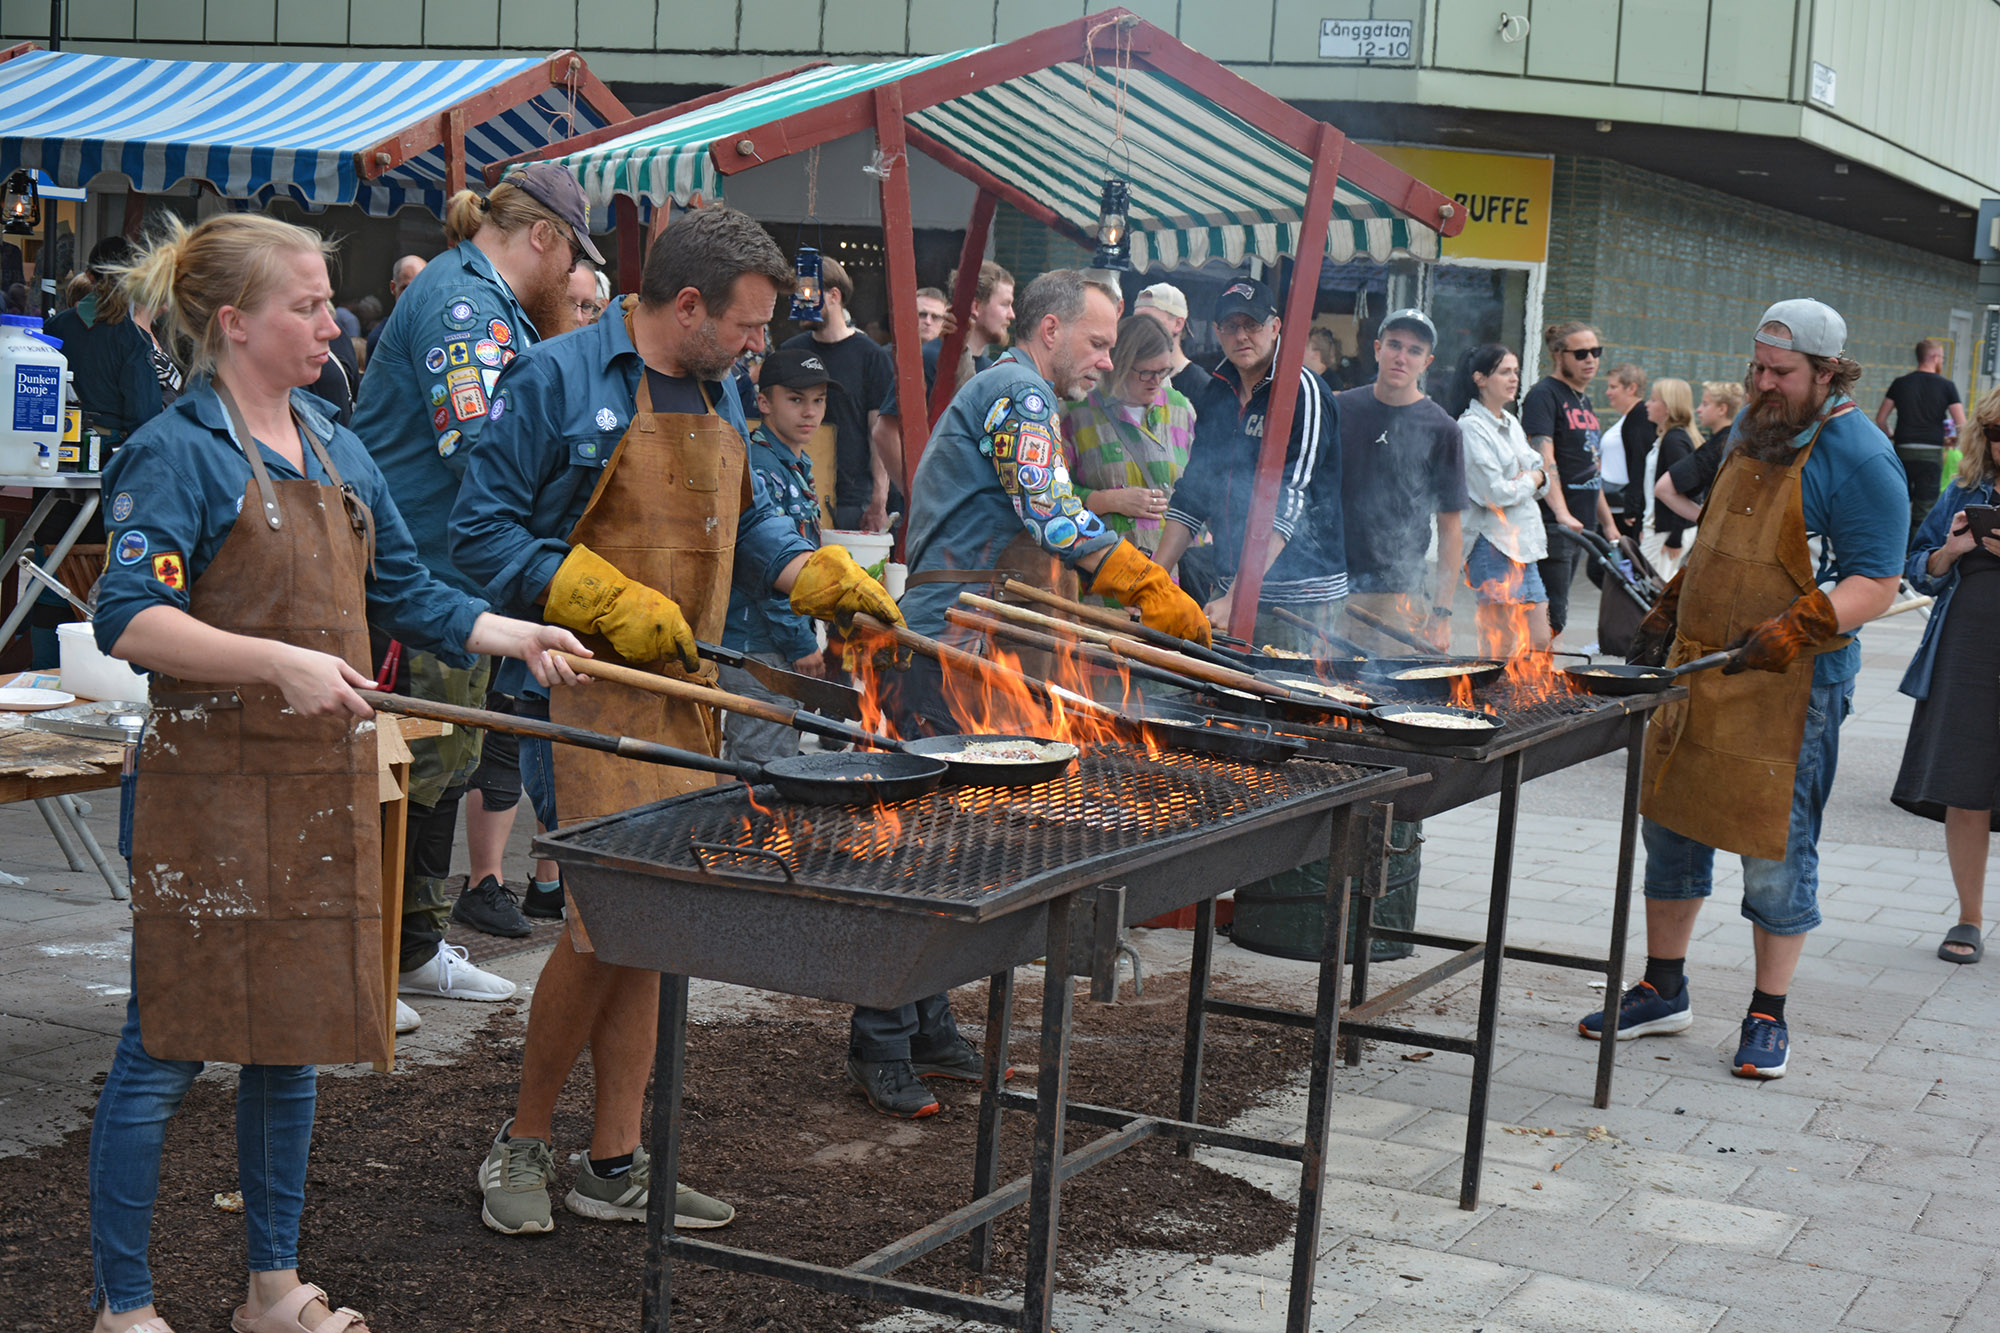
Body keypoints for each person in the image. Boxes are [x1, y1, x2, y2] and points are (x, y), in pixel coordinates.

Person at [84, 212, 585, 1333]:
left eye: (326, 303)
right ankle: (125, 1308)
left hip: (317, 801)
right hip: (207, 805)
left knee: (292, 1046)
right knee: (166, 1048)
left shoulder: (333, 440)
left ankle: (271, 1290)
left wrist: (511, 635)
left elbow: (407, 586)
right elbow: (130, 619)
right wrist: (277, 663)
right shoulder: (176, 450)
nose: (332, 323)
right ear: (235, 321)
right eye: (307, 305)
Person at [451, 203, 902, 1233]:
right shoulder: (556, 379)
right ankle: (520, 1140)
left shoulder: (717, 394)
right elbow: (476, 534)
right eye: (746, 327)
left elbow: (748, 523)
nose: (760, 348)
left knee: (663, 925)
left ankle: (612, 1160)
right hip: (584, 691)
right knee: (602, 922)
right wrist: (595, 596)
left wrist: (808, 570)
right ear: (687, 303)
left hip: (684, 698)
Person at [892, 268, 1207, 1117]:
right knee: (926, 840)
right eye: (1100, 341)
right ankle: (881, 1038)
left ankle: (924, 1023)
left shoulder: (1022, 392)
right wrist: (1146, 582)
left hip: (978, 631)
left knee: (961, 837)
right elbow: (1052, 516)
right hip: (946, 638)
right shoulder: (1020, 396)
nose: (1108, 360)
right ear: (1050, 328)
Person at [1581, 299, 1907, 1079]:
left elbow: (1880, 581)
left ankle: (1768, 1010)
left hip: (1791, 688)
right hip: (1700, 672)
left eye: (1782, 372)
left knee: (1776, 853)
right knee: (1672, 824)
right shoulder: (1746, 435)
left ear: (1829, 374)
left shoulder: (1862, 456)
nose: (1764, 383)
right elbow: (1717, 541)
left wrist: (1798, 626)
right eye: (1758, 367)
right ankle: (1664, 985)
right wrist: (1670, 605)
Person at [351, 162, 594, 1016]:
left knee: (442, 766)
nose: (573, 281)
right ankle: (374, 958)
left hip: (448, 575)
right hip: (414, 574)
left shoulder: (481, 297)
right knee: (405, 769)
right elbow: (482, 454)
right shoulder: (466, 307)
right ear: (544, 238)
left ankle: (409, 950)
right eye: (573, 260)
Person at [1153, 280, 1343, 648]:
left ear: (1275, 327)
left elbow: (1290, 502)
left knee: (1291, 701)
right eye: (1231, 326)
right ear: (1217, 333)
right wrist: (1154, 580)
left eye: (1252, 325)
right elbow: (1193, 492)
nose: (1241, 336)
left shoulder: (1303, 392)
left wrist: (1239, 597)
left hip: (1299, 599)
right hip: (1229, 587)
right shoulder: (1217, 391)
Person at [1893, 387, 2000, 964]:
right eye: (1999, 434)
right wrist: (1952, 550)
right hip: (1969, 650)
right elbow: (1918, 568)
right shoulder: (1965, 492)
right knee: (1966, 784)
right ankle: (1969, 918)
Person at [718, 346, 830, 763]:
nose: (810, 412)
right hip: (760, 641)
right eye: (796, 399)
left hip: (774, 639)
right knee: (763, 765)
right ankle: (743, 833)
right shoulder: (762, 467)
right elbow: (764, 569)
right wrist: (801, 643)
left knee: (769, 753)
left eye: (818, 400)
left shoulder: (795, 462)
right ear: (763, 402)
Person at [1333, 308, 1465, 653]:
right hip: (1328, 587)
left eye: (1414, 350)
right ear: (1377, 349)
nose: (1401, 357)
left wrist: (1442, 613)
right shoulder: (1338, 410)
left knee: (1391, 700)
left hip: (1398, 595)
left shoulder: (1442, 429)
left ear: (1427, 362)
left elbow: (1451, 528)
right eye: (1394, 345)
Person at [1056, 313, 1194, 556]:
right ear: (1119, 364)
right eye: (1147, 373)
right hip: (1104, 577)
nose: (1157, 381)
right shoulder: (1077, 413)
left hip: (1172, 580)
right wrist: (1108, 501)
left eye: (1164, 371)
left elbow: (1201, 491)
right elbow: (1050, 495)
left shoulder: (1180, 408)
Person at [781, 255, 898, 532]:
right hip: (795, 489)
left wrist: (879, 499)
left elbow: (877, 431)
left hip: (851, 497)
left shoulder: (871, 356)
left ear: (834, 295)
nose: (800, 302)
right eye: (797, 295)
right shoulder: (790, 352)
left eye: (807, 293)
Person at [1449, 343, 1551, 654]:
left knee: (1539, 639)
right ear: (1480, 378)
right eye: (1505, 372)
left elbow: (1541, 475)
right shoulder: (1470, 427)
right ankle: (1488, 699)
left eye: (1516, 372)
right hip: (1492, 544)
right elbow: (1494, 493)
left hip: (1524, 544)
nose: (1514, 378)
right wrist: (1532, 479)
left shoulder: (1512, 422)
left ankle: (1519, 698)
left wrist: (1533, 479)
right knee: (1500, 645)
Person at [1522, 321, 1619, 644]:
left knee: (1555, 615)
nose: (1590, 359)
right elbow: (1544, 457)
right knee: (1550, 615)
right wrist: (1562, 513)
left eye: (1596, 352)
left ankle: (1539, 681)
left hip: (1581, 522)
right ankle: (1531, 683)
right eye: (1580, 353)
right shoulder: (1544, 395)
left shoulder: (1583, 401)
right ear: (1558, 354)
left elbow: (1592, 468)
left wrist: (1608, 524)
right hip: (1555, 523)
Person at [44, 236, 166, 446]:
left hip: (53, 443)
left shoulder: (54, 327)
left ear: (89, 276)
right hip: (107, 451)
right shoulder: (134, 338)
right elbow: (144, 414)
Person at [1877, 338, 1967, 539]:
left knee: (1897, 502)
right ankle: (1914, 555)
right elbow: (1961, 423)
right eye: (1942, 357)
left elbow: (1881, 419)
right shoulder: (1946, 386)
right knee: (1925, 507)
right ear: (1935, 357)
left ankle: (1894, 548)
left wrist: (1893, 435)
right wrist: (1954, 441)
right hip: (1931, 454)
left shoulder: (1900, 383)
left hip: (1902, 451)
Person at [1646, 379, 1706, 571]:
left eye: (1653, 399)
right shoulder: (1670, 437)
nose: (1647, 404)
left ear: (1668, 407)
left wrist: (1675, 537)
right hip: (1662, 528)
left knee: (1653, 591)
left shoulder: (1674, 440)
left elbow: (1685, 489)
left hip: (1668, 530)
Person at [1600, 362, 1652, 543]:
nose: (1608, 392)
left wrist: (1633, 507)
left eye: (1613, 387)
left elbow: (1640, 463)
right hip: (1613, 506)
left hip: (1625, 511)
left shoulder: (1640, 418)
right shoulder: (1629, 419)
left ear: (1632, 388)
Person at [1133, 281, 1207, 403]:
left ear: (1178, 324)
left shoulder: (1201, 387)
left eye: (1149, 320)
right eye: (1136, 320)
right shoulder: (1130, 378)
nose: (1140, 328)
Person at [951, 259, 1014, 387]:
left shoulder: (991, 370)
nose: (1012, 315)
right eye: (1005, 305)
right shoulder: (932, 360)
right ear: (976, 307)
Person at [364, 254, 426, 364]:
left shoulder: (438, 329)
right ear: (393, 288)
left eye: (419, 287)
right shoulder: (381, 339)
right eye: (405, 288)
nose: (413, 295)